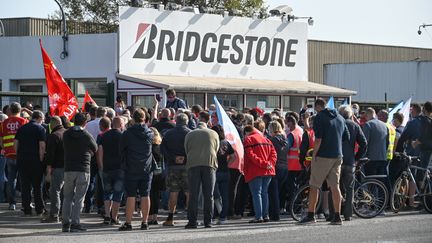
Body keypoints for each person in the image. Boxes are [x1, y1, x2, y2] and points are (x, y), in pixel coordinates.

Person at [300, 98, 349, 225]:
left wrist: (314, 155)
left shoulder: (320, 117)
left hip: (323, 156)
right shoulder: (340, 117)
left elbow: (318, 139)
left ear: (317, 107)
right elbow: (346, 137)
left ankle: (311, 215)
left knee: (314, 185)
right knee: (335, 186)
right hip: (338, 156)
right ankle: (337, 217)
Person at [61, 112, 97, 232]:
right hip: (83, 168)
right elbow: (95, 148)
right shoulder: (86, 135)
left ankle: (65, 223)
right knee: (79, 198)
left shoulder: (66, 134)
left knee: (67, 197)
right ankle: (75, 223)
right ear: (85, 123)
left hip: (69, 168)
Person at [119, 109, 154, 231]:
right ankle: (144, 222)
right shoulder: (149, 133)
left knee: (131, 195)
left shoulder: (127, 134)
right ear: (144, 119)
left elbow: (121, 150)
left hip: (131, 167)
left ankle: (128, 223)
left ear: (133, 119)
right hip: (146, 167)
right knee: (145, 194)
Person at [331, 105, 367, 221]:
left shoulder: (336, 123)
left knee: (335, 186)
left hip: (336, 160)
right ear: (351, 114)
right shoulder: (355, 125)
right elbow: (364, 143)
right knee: (349, 188)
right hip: (350, 161)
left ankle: (333, 213)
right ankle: (348, 214)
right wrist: (356, 157)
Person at [184, 122, 220, 228]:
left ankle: (192, 221)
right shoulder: (213, 133)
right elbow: (216, 148)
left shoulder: (190, 134)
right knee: (209, 195)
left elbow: (186, 149)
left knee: (193, 194)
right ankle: (208, 221)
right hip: (209, 164)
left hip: (193, 164)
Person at [160, 113, 191, 227]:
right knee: (189, 192)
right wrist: (185, 158)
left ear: (176, 121)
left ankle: (170, 218)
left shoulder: (168, 134)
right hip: (187, 166)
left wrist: (173, 157)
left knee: (173, 192)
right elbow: (193, 149)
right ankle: (190, 218)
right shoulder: (190, 133)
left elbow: (162, 149)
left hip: (173, 166)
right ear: (186, 121)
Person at [15, 110, 46, 216]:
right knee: (37, 186)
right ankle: (39, 209)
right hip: (36, 160)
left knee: (25, 185)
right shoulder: (41, 129)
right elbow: (42, 146)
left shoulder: (22, 128)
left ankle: (26, 208)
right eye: (42, 120)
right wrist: (41, 159)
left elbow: (16, 145)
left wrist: (18, 156)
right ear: (39, 118)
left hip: (22, 159)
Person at [243, 125, 277, 223]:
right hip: (268, 170)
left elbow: (251, 155)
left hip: (255, 170)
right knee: (264, 193)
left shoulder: (248, 139)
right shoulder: (267, 140)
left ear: (246, 132)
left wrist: (263, 164)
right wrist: (269, 164)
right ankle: (265, 215)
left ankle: (259, 216)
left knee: (256, 193)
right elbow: (274, 154)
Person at [0, 102, 28, 210]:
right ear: (20, 110)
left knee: (11, 179)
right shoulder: (24, 121)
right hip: (21, 155)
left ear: (10, 110)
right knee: (25, 179)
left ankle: (12, 203)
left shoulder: (3, 123)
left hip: (9, 155)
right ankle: (26, 203)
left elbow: (1, 142)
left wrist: (7, 150)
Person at [97, 117, 125, 225]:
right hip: (120, 169)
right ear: (121, 124)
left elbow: (100, 151)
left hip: (107, 169)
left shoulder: (104, 136)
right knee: (118, 194)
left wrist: (101, 166)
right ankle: (114, 217)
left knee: (107, 193)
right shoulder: (123, 136)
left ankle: (107, 216)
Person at [42, 116, 66, 223]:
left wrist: (48, 168)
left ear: (53, 124)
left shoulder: (53, 136)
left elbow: (50, 155)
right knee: (66, 193)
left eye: (50, 124)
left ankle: (54, 215)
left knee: (54, 191)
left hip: (57, 167)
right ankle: (64, 214)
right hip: (69, 167)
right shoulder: (67, 133)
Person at [211, 125, 235, 225]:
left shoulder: (213, 142)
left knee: (214, 195)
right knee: (225, 195)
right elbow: (234, 156)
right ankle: (223, 216)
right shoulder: (226, 142)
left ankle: (214, 215)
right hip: (225, 171)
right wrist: (227, 164)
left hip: (214, 171)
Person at [84, 106, 106, 214]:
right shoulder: (106, 123)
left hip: (91, 154)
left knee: (90, 181)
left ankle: (89, 205)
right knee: (102, 181)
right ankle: (102, 205)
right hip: (103, 155)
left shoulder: (89, 124)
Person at [362, 108, 389, 188]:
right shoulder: (385, 125)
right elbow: (387, 143)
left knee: (371, 183)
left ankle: (373, 200)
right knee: (381, 184)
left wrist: (361, 157)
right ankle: (381, 200)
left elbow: (365, 143)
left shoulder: (367, 125)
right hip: (383, 158)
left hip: (371, 159)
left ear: (367, 115)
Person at [267, 120, 287, 220]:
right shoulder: (285, 138)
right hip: (285, 167)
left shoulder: (273, 140)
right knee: (278, 191)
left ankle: (274, 214)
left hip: (276, 166)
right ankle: (276, 212)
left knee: (273, 192)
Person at [285, 116, 304, 212]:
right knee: (298, 186)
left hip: (292, 165)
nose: (287, 126)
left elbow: (286, 148)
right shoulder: (301, 131)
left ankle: (294, 206)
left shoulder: (291, 134)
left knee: (291, 187)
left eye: (287, 123)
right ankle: (298, 206)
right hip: (301, 164)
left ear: (291, 123)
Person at [148, 127, 166, 225]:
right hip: (159, 173)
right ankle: (155, 217)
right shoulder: (160, 146)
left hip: (151, 173)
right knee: (156, 196)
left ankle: (150, 217)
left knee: (149, 195)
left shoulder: (148, 146)